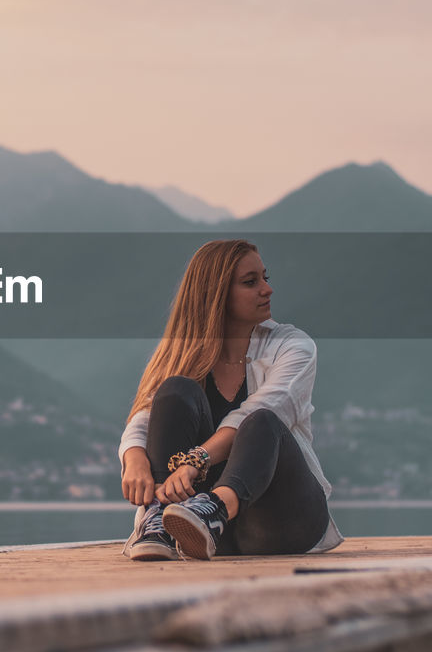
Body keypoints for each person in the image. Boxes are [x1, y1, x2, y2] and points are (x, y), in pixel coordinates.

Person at [119, 239, 343, 561]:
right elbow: (144, 417)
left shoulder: (293, 346)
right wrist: (134, 460)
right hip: (199, 532)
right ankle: (161, 520)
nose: (267, 290)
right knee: (174, 390)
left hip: (280, 521)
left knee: (262, 420)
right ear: (216, 295)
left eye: (266, 278)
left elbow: (264, 408)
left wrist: (195, 461)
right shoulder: (182, 356)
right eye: (251, 282)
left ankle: (215, 508)